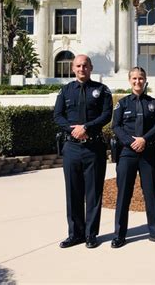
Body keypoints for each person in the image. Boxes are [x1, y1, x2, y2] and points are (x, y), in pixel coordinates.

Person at [54, 54, 113, 249]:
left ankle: (91, 235)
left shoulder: (102, 90)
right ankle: (75, 234)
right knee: (73, 193)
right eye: (78, 66)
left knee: (93, 193)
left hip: (93, 148)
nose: (82, 69)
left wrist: (86, 127)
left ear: (91, 68)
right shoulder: (65, 91)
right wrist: (73, 130)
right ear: (73, 69)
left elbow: (106, 115)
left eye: (85, 65)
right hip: (71, 147)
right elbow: (58, 115)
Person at [110, 67, 155, 248]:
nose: (138, 81)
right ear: (130, 81)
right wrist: (131, 141)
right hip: (127, 153)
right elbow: (116, 126)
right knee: (124, 195)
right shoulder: (122, 104)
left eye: (141, 78)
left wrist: (144, 139)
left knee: (151, 194)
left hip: (148, 153)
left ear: (145, 80)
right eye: (134, 78)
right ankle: (119, 235)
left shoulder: (153, 103)